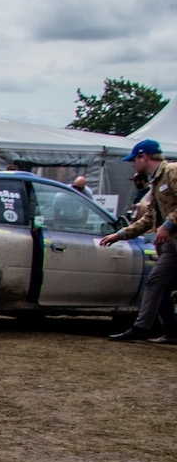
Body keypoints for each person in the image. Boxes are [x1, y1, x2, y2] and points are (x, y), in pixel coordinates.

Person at [101, 139, 177, 343]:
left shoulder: (172, 171)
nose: (133, 165)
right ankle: (145, 329)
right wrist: (121, 234)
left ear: (144, 157)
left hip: (172, 239)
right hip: (172, 246)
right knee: (155, 282)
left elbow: (162, 220)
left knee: (158, 284)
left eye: (134, 160)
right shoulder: (156, 182)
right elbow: (150, 217)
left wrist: (168, 225)